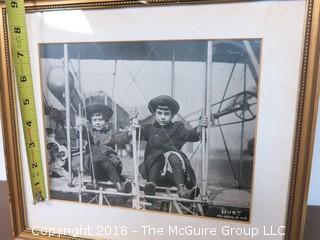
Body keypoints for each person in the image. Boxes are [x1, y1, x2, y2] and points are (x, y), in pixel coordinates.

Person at [133, 95, 208, 199]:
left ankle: (182, 190)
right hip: (154, 171)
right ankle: (150, 185)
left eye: (166, 114)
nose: (163, 117)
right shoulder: (149, 129)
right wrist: (134, 125)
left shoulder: (177, 127)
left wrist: (200, 127)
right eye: (159, 113)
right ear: (154, 114)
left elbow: (190, 135)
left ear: (172, 115)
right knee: (158, 157)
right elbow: (136, 134)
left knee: (174, 156)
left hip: (173, 173)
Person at [83, 94, 132, 193]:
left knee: (103, 159)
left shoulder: (110, 134)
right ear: (91, 122)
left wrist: (130, 132)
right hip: (94, 168)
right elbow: (83, 134)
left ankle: (119, 185)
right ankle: (94, 182)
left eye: (100, 120)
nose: (97, 122)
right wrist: (81, 128)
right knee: (95, 155)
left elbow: (120, 137)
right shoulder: (90, 134)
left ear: (106, 122)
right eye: (95, 120)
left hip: (110, 167)